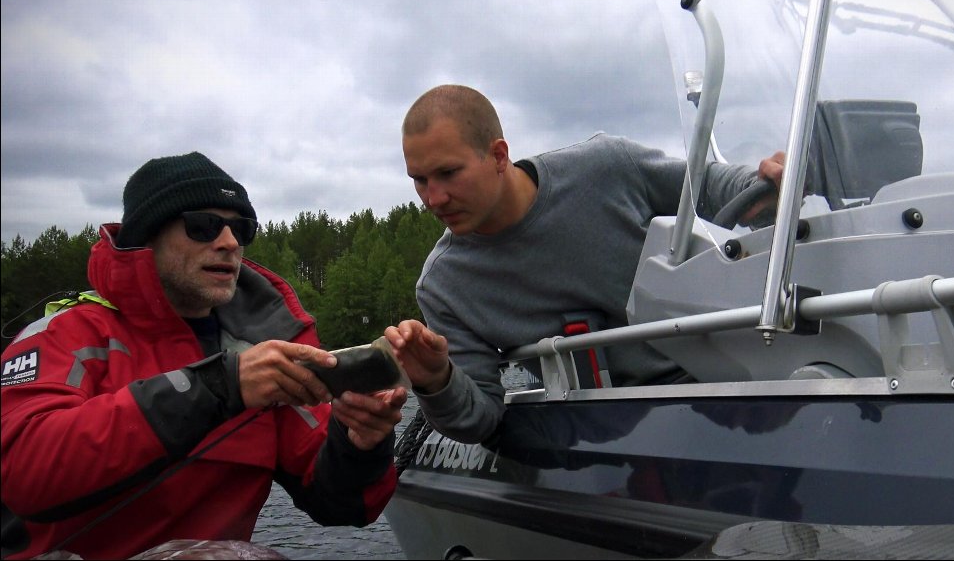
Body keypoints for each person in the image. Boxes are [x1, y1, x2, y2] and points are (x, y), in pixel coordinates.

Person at [0, 152, 407, 560]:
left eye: (241, 228)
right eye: (204, 225)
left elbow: (344, 505)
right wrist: (217, 386)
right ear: (149, 235)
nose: (229, 242)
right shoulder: (64, 335)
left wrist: (359, 443)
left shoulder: (262, 350)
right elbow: (20, 473)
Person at [384, 84, 785, 445]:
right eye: (419, 180)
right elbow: (479, 418)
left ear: (498, 155)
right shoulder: (443, 286)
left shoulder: (607, 166)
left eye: (448, 173)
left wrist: (764, 184)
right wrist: (437, 379)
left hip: (738, 383)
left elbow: (712, 188)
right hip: (608, 443)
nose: (434, 199)